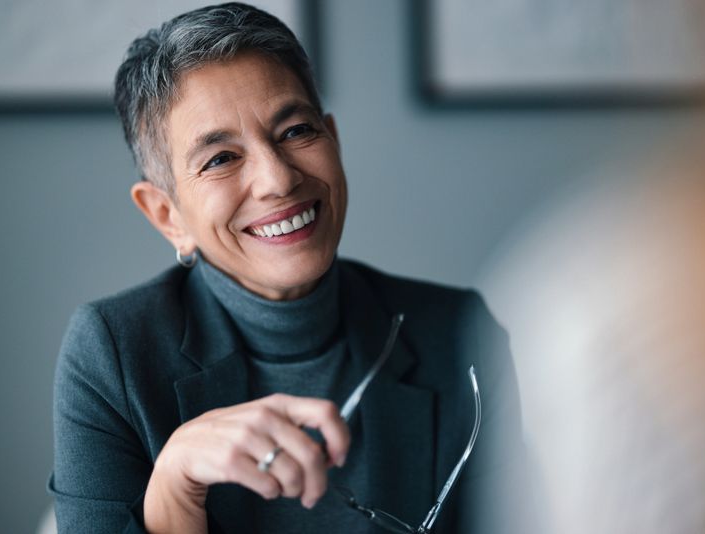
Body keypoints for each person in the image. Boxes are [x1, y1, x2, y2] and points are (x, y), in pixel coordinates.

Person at [49, 3, 525, 533]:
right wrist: (175, 488)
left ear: (334, 142)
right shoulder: (112, 353)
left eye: (296, 131)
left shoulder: (459, 332)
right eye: (220, 159)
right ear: (167, 215)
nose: (277, 179)